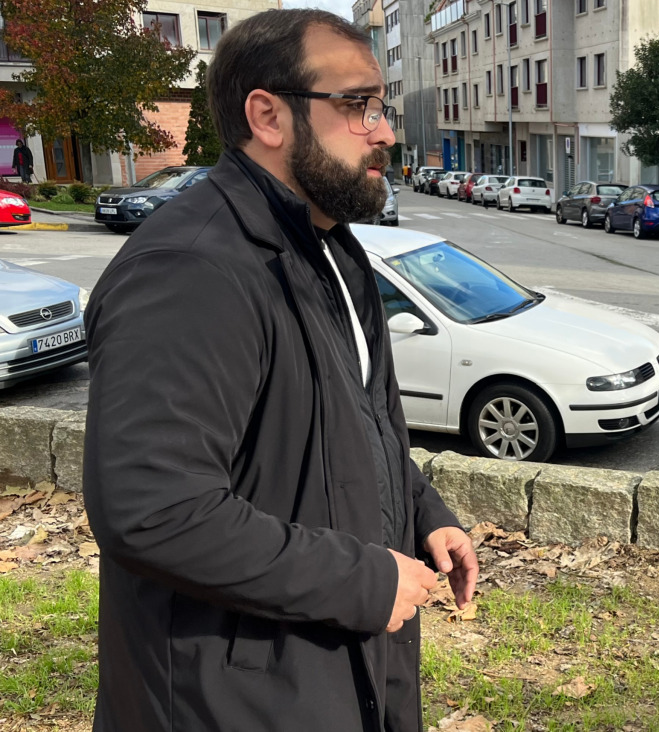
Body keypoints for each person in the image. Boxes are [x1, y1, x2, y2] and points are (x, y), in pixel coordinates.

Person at [83, 9, 477, 731]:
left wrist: (424, 514)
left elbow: (355, 430)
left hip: (334, 671)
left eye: (380, 106)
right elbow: (153, 511)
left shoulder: (331, 247)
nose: (384, 131)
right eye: (356, 105)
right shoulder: (192, 270)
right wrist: (364, 580)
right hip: (228, 701)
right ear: (267, 115)